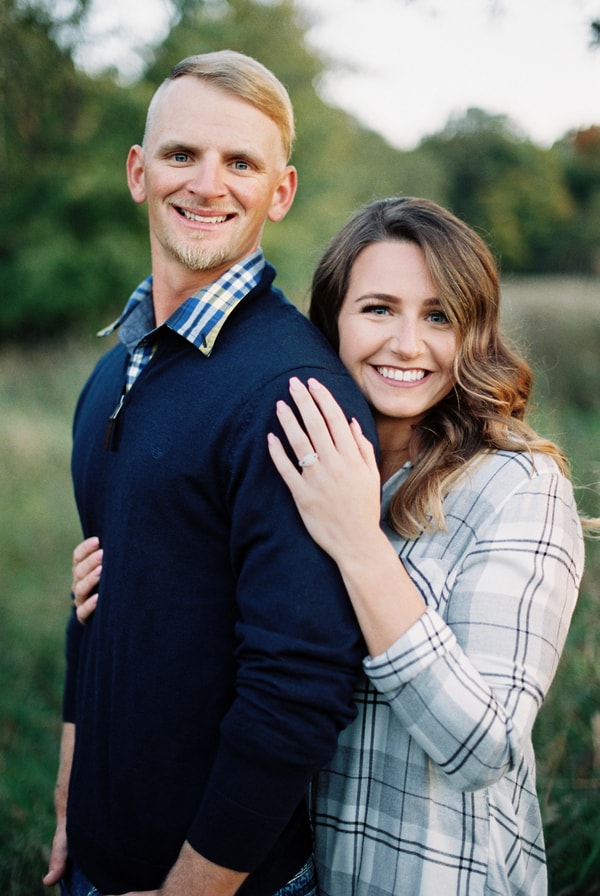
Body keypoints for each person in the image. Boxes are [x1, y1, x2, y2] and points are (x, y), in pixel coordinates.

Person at [65, 195, 596, 896]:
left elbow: (484, 746)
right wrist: (132, 580)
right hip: (299, 875)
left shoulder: (517, 487)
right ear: (333, 324)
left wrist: (357, 544)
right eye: (378, 309)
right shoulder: (300, 463)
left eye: (438, 316)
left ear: (473, 333)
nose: (407, 344)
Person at [43, 51, 378, 896]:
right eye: (182, 155)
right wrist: (68, 801)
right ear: (138, 171)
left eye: (242, 163)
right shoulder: (117, 370)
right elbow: (98, 602)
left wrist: (197, 887)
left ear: (282, 190)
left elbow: (300, 681)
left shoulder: (293, 395)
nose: (208, 184)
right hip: (98, 854)